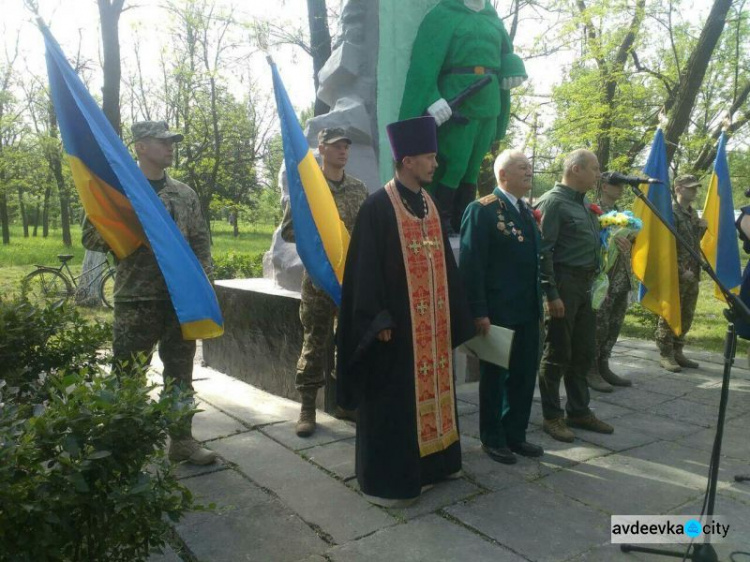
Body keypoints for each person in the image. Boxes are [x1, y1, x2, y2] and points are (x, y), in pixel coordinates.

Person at [336, 116, 475, 508]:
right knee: (395, 404)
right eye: (429, 157)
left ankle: (436, 466)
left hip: (432, 329)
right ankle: (392, 480)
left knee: (437, 396)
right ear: (408, 160)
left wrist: (457, 315)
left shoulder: (428, 203)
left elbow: (445, 264)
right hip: (397, 330)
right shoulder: (378, 206)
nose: (435, 163)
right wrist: (377, 318)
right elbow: (363, 270)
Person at [82, 121, 216, 465]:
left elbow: (200, 241)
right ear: (140, 147)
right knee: (128, 374)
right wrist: (131, 228)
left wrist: (205, 283)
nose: (171, 147)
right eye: (162, 142)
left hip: (181, 300)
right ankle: (122, 445)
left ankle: (182, 441)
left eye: (172, 141)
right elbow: (91, 237)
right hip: (137, 297)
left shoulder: (184, 193)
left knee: (180, 371)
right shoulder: (121, 192)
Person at [398, 0, 527, 233]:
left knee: (472, 166)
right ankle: (440, 218)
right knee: (455, 163)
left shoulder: (492, 18)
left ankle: (464, 219)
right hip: (457, 98)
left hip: (489, 101)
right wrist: (433, 98)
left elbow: (505, 54)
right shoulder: (443, 14)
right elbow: (424, 62)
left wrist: (513, 66)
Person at [280, 127, 368, 436]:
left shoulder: (358, 189)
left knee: (348, 342)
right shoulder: (309, 189)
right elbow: (289, 231)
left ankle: (346, 402)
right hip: (318, 280)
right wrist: (322, 239)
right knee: (315, 343)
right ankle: (306, 408)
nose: (342, 151)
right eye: (335, 146)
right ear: (321, 148)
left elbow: (366, 232)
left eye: (346, 146)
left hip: (349, 280)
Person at [459, 150, 544, 464]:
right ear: (503, 175)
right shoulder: (483, 210)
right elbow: (472, 264)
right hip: (497, 312)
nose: (529, 171)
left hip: (527, 310)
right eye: (522, 167)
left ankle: (515, 435)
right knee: (495, 379)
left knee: (523, 376)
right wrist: (478, 310)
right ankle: (493, 438)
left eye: (530, 167)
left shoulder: (526, 210)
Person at [534, 149, 614, 443]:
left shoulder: (586, 206)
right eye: (594, 168)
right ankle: (552, 416)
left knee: (582, 351)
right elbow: (543, 252)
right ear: (576, 169)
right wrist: (551, 293)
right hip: (563, 283)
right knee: (557, 352)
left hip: (585, 286)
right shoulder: (553, 203)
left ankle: (578, 410)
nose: (598, 174)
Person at [587, 177, 634, 392]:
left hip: (621, 277)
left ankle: (604, 364)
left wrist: (628, 244)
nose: (621, 189)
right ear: (604, 186)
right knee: (599, 325)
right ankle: (591, 368)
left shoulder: (622, 213)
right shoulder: (593, 211)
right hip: (603, 279)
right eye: (617, 185)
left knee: (614, 324)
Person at [656, 175, 707, 372]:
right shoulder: (670, 213)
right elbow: (665, 247)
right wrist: (679, 270)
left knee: (687, 313)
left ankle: (678, 350)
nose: (694, 191)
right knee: (670, 313)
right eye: (690, 188)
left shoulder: (692, 214)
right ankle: (665, 354)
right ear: (678, 188)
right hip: (675, 273)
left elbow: (692, 244)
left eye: (696, 188)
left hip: (692, 272)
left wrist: (702, 230)